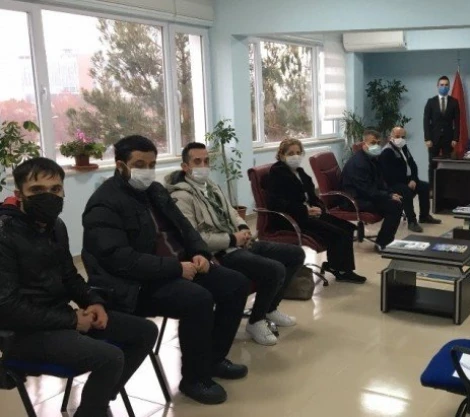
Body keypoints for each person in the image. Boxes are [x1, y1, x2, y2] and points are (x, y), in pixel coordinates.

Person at [82, 136, 249, 405]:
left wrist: (199, 252)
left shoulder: (156, 191)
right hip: (134, 284)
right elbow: (119, 260)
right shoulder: (104, 203)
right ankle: (194, 378)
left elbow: (185, 227)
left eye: (152, 164)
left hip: (178, 267)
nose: (147, 171)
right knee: (197, 300)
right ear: (120, 165)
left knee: (236, 284)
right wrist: (174, 268)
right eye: (139, 164)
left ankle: (213, 360)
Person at [0, 158, 158, 417]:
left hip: (58, 319)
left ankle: (95, 404)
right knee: (110, 357)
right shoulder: (4, 233)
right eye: (37, 190)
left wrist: (94, 302)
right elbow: (6, 307)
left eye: (55, 189)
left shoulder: (56, 226)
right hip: (22, 334)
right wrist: (72, 320)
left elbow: (69, 275)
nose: (48, 196)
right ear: (19, 195)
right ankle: (94, 409)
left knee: (145, 331)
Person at [166, 142, 305, 346]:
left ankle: (270, 309)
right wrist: (232, 239)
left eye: (206, 161)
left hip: (238, 242)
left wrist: (242, 228)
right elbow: (194, 238)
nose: (203, 166)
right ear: (185, 167)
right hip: (220, 252)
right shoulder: (180, 197)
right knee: (274, 269)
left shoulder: (210, 186)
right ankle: (256, 321)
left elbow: (231, 211)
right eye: (197, 161)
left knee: (295, 254)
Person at [266, 139, 366, 284]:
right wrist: (305, 210)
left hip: (309, 214)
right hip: (292, 218)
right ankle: (342, 271)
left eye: (298, 152)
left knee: (348, 227)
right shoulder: (277, 173)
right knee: (339, 233)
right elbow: (276, 204)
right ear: (281, 155)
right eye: (291, 153)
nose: (295, 156)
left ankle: (336, 266)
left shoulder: (299, 171)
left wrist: (318, 206)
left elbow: (311, 195)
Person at [341, 130, 403, 250]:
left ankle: (385, 240)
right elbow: (367, 190)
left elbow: (380, 183)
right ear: (364, 144)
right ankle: (382, 244)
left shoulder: (371, 158)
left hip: (365, 195)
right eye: (373, 143)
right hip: (354, 200)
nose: (377, 146)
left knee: (397, 199)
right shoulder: (359, 163)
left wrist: (390, 193)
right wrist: (388, 196)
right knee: (394, 206)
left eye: (378, 143)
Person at [379, 127, 442, 233]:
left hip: (407, 180)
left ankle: (424, 216)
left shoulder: (403, 147)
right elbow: (389, 175)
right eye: (397, 136)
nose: (400, 139)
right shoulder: (387, 152)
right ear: (390, 137)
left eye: (403, 137)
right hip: (393, 183)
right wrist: (407, 182)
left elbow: (413, 164)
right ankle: (412, 221)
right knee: (406, 191)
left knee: (425, 186)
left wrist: (413, 179)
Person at [423, 75, 460, 187]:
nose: (444, 87)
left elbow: (457, 122)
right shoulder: (431, 102)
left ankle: (446, 188)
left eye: (446, 85)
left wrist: (455, 138)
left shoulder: (454, 102)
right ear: (437, 86)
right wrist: (427, 138)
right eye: (442, 85)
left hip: (448, 138)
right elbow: (426, 121)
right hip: (434, 138)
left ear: (449, 86)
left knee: (448, 165)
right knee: (432, 164)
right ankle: (432, 189)